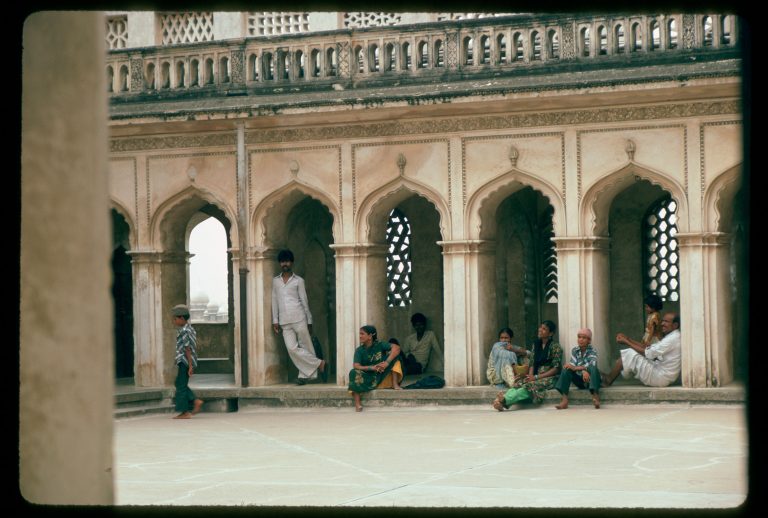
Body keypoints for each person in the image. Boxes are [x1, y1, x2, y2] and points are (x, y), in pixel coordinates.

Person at [271, 249, 326, 385]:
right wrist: (275, 320)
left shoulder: (298, 281)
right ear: (280, 263)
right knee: (292, 348)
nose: (285, 264)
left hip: (299, 317)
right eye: (283, 261)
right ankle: (320, 363)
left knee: (306, 346)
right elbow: (274, 301)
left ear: (292, 263)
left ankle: (305, 376)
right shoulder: (276, 281)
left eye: (287, 261)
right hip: (284, 321)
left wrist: (309, 320)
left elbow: (304, 300)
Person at [493, 320, 562, 411]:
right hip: (535, 375)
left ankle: (505, 400)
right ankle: (502, 401)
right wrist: (530, 375)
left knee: (529, 386)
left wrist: (536, 377)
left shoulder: (555, 346)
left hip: (549, 377)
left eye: (544, 329)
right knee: (519, 383)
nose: (540, 330)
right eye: (540, 327)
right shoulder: (536, 344)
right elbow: (532, 362)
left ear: (551, 333)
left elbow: (556, 369)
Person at [602, 312, 681, 387]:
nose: (662, 324)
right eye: (663, 321)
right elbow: (648, 348)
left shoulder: (672, 338)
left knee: (629, 353)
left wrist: (626, 342)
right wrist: (627, 339)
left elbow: (648, 353)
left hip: (661, 377)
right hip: (661, 373)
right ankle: (609, 377)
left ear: (675, 325)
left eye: (666, 322)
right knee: (632, 354)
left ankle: (608, 379)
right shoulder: (673, 336)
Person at [348, 325, 403, 411]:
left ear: (370, 336)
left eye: (362, 334)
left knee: (396, 358)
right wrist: (372, 368)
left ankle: (395, 384)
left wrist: (386, 363)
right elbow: (356, 366)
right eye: (359, 334)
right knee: (353, 372)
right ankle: (358, 404)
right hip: (368, 377)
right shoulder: (359, 350)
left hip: (382, 374)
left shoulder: (380, 344)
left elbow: (397, 348)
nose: (360, 336)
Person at [554, 328, 601, 410]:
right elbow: (572, 365)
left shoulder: (593, 350)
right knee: (566, 368)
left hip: (591, 380)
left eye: (584, 337)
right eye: (579, 337)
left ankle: (595, 396)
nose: (581, 339)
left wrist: (582, 369)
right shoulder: (575, 350)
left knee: (593, 368)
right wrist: (582, 370)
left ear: (589, 340)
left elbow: (592, 364)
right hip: (580, 381)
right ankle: (564, 400)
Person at [171, 304, 204, 419]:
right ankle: (195, 401)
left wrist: (190, 366)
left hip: (185, 361)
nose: (174, 321)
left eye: (175, 318)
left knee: (181, 386)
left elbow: (187, 348)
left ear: (181, 318)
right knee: (180, 383)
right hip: (186, 361)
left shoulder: (184, 331)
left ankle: (185, 411)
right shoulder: (190, 329)